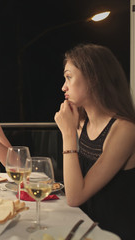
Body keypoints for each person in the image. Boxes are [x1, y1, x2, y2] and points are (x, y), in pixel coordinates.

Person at [54, 43, 135, 240]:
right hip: (84, 228)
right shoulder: (82, 122)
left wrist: (68, 135)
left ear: (94, 79)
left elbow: (75, 197)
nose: (63, 86)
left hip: (113, 234)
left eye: (69, 77)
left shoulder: (124, 130)